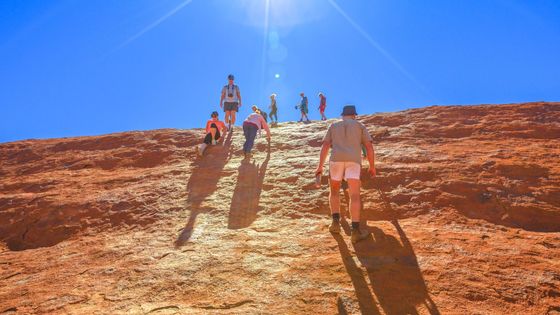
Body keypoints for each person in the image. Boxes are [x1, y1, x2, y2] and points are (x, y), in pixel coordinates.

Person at [315, 105, 376, 244]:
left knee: (334, 191)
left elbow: (325, 146)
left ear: (343, 115)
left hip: (335, 160)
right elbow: (369, 147)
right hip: (353, 161)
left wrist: (320, 166)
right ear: (354, 115)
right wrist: (372, 166)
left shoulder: (333, 126)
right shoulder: (360, 126)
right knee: (354, 195)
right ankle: (355, 231)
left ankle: (335, 223)